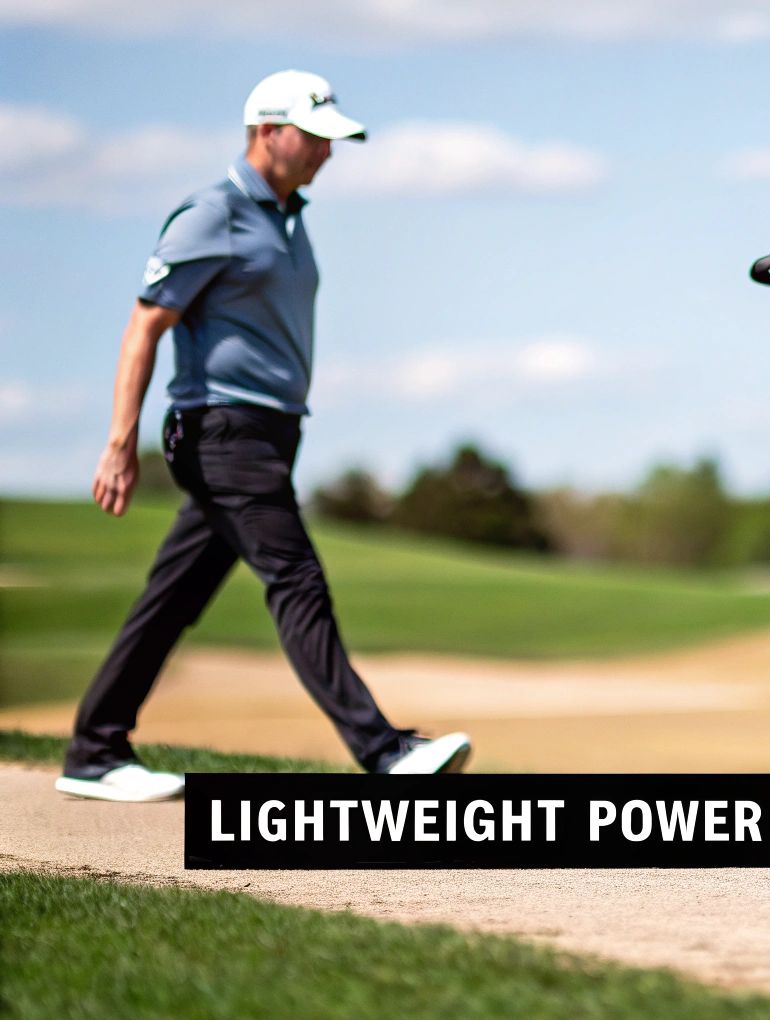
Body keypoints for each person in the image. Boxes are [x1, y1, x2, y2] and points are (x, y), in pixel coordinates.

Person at [57, 70, 471, 802]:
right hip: (222, 430)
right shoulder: (211, 213)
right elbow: (143, 325)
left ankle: (94, 750)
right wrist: (120, 441)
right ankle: (383, 751)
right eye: (314, 138)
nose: (326, 154)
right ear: (265, 131)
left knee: (174, 597)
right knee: (296, 578)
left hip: (270, 433)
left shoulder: (288, 219)